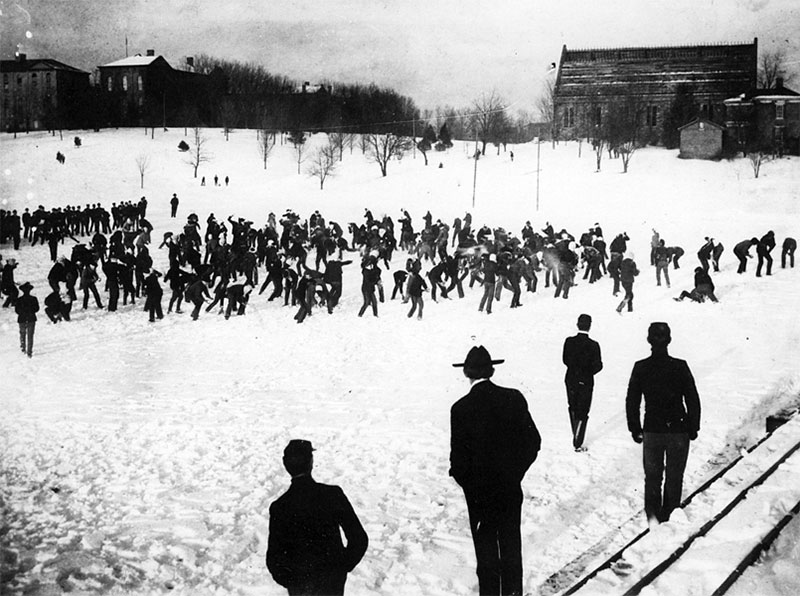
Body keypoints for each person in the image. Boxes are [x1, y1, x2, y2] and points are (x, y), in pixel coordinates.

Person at [450, 346, 541, 596]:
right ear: (491, 370)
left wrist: (472, 486)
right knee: (511, 546)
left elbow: (458, 462)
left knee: (486, 552)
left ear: (467, 374)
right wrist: (515, 473)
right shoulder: (514, 397)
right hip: (510, 488)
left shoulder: (460, 408)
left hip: (479, 496)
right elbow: (533, 442)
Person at [266, 440, 368, 596]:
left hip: (299, 585)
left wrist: (292, 581)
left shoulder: (280, 507)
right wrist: (340, 568)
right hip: (331, 582)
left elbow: (274, 559)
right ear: (311, 462)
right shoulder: (332, 495)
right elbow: (359, 538)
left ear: (285, 464)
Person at [626, 322, 700, 526]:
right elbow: (692, 398)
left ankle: (653, 520)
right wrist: (693, 427)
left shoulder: (641, 367)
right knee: (674, 477)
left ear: (649, 340)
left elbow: (632, 400)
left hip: (652, 430)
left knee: (652, 477)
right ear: (669, 340)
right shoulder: (680, 366)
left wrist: (635, 428)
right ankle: (670, 517)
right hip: (678, 430)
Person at [562, 314, 603, 452]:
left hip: (571, 378)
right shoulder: (594, 345)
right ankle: (578, 441)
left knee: (572, 406)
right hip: (586, 381)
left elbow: (565, 360)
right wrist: (587, 372)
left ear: (577, 324)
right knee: (583, 410)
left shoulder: (569, 341)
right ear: (589, 326)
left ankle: (576, 434)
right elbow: (599, 365)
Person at [15, 281, 39, 358]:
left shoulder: (19, 300)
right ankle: (29, 351)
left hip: (22, 318)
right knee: (30, 335)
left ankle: (23, 348)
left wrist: (23, 312)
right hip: (31, 318)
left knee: (22, 333)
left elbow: (17, 310)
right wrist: (30, 311)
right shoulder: (34, 299)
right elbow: (36, 309)